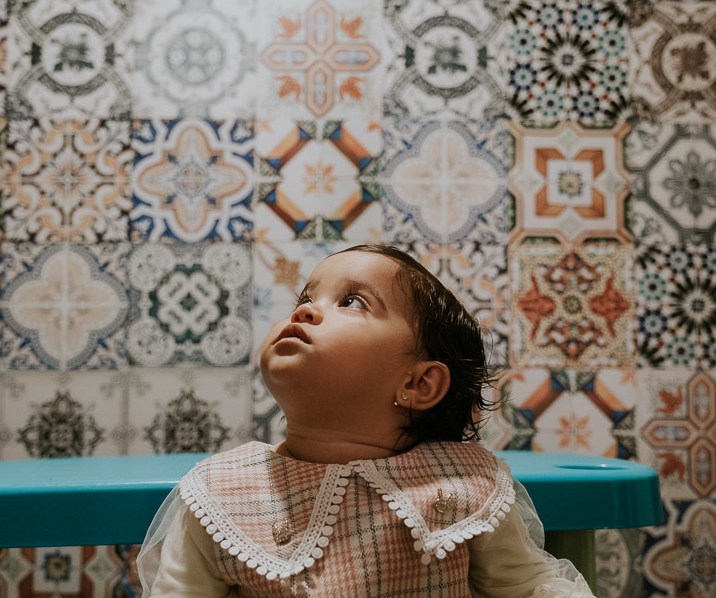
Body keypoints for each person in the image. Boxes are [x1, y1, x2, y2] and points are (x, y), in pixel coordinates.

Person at [137, 244, 596, 597]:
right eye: (306, 297)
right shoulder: (220, 496)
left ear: (418, 385)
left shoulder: (463, 486)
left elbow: (531, 586)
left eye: (353, 301)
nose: (305, 309)